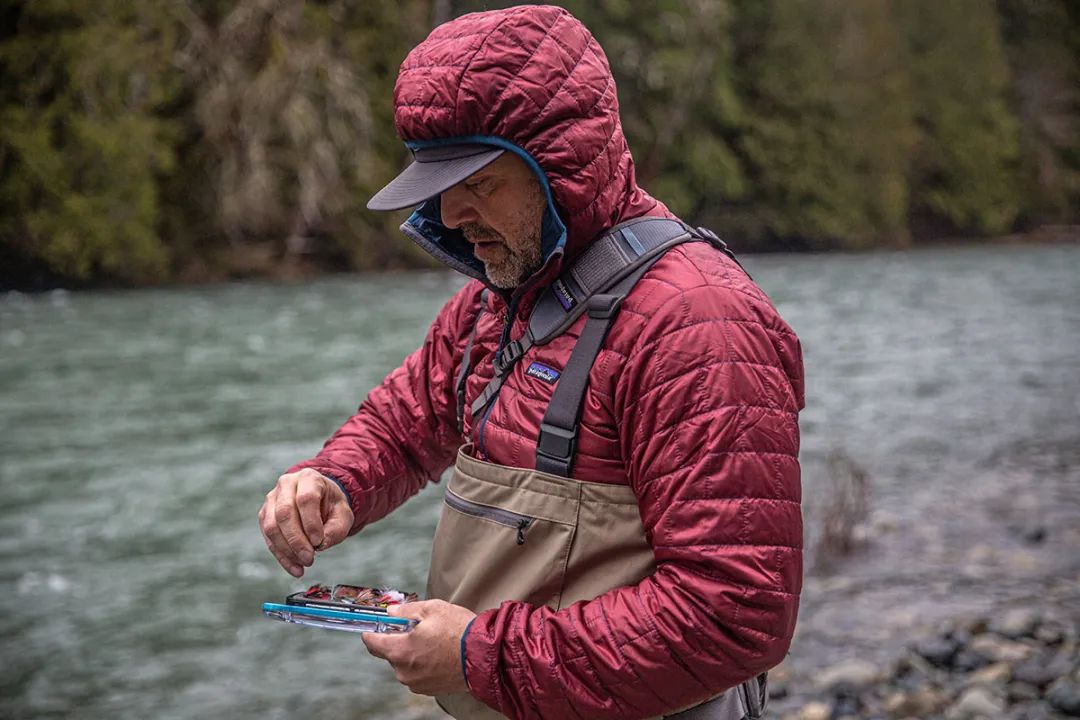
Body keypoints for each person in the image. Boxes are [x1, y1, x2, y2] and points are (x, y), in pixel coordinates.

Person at [258, 6, 805, 719]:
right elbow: (407, 421)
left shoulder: (698, 325)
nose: (450, 214)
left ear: (560, 164)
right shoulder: (500, 298)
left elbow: (736, 614)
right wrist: (333, 480)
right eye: (435, 184)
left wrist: (479, 654)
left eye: (478, 182)